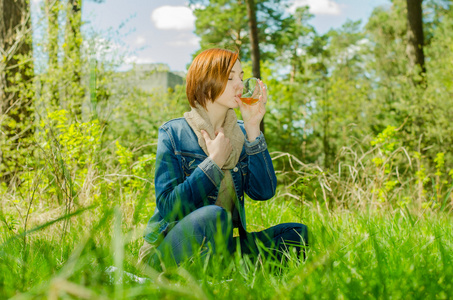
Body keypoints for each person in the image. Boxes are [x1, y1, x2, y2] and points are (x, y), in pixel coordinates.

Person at [139, 48, 308, 269]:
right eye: (230, 78)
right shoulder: (174, 133)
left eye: (241, 75)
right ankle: (221, 271)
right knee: (213, 216)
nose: (240, 84)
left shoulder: (240, 133)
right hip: (171, 247)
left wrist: (253, 126)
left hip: (223, 245)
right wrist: (213, 164)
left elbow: (263, 192)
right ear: (206, 82)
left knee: (297, 233)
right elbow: (168, 207)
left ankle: (225, 271)